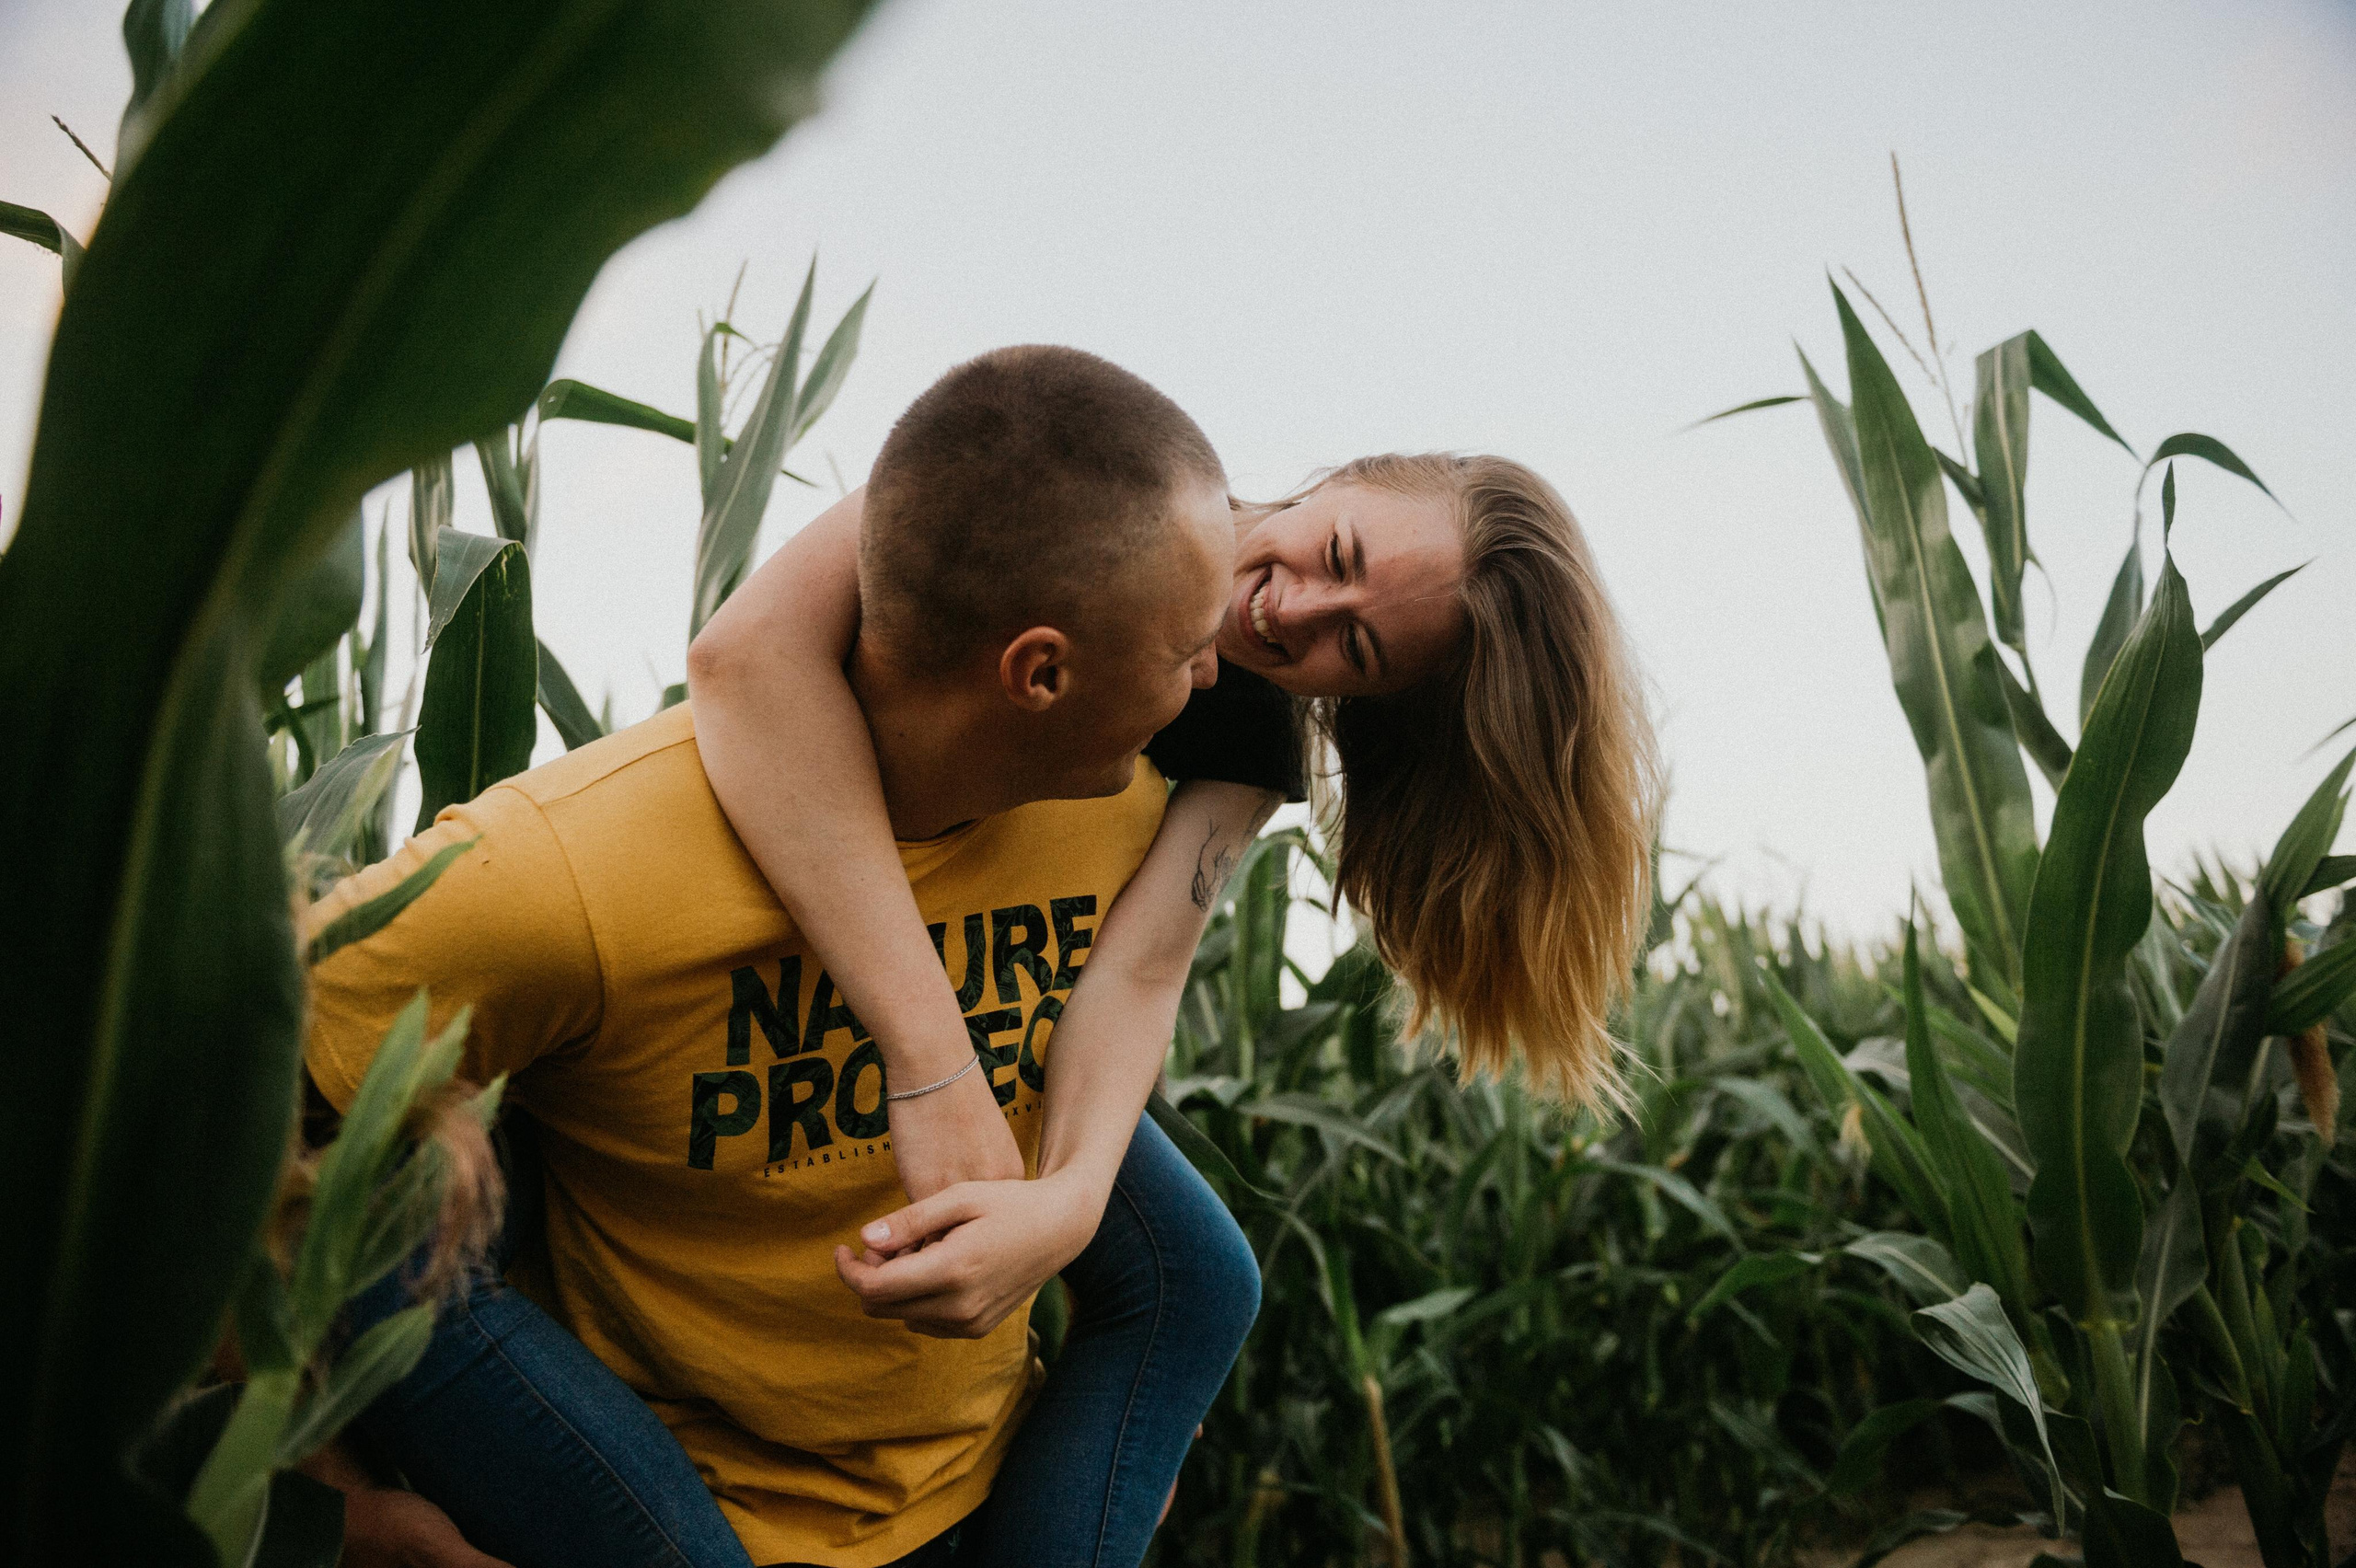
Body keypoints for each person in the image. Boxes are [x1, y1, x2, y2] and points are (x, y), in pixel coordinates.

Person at [303, 347, 1275, 1568]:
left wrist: (1102, 1465)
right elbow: (207, 1103)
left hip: (973, 1505)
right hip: (693, 1518)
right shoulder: (562, 871)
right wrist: (329, 1508)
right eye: (1187, 648)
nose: (1210, 676)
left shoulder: (1120, 815)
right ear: (1040, 670)